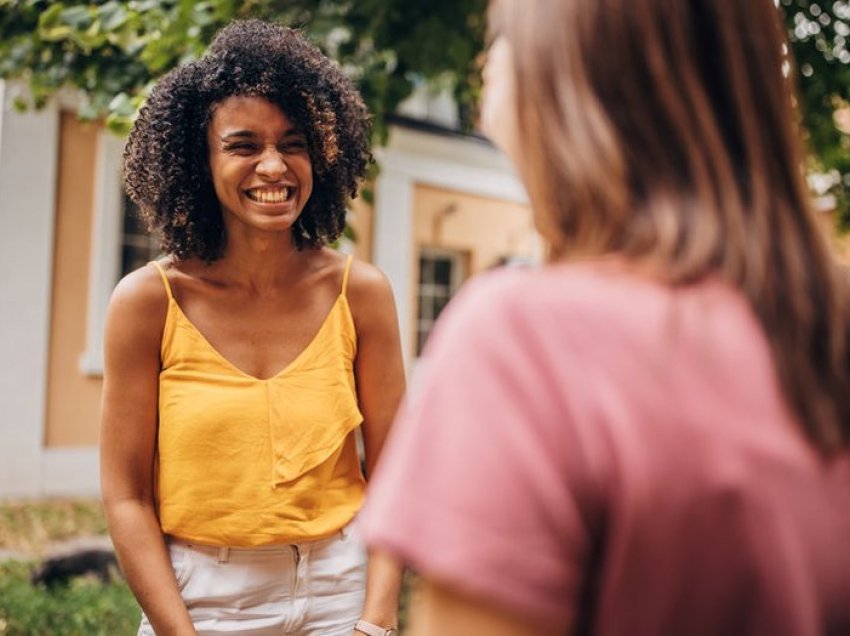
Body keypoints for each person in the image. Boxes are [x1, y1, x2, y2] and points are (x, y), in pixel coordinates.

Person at [360, 1, 850, 634]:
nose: (482, 78)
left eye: (497, 42)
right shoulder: (830, 318)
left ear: (557, 75)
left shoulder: (526, 342)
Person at [100, 19, 405, 636]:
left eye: (292, 143)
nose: (274, 166)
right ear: (201, 162)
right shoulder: (148, 302)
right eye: (243, 145)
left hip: (339, 591)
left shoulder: (360, 293)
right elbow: (127, 497)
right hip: (201, 598)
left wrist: (376, 619)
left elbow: (399, 468)